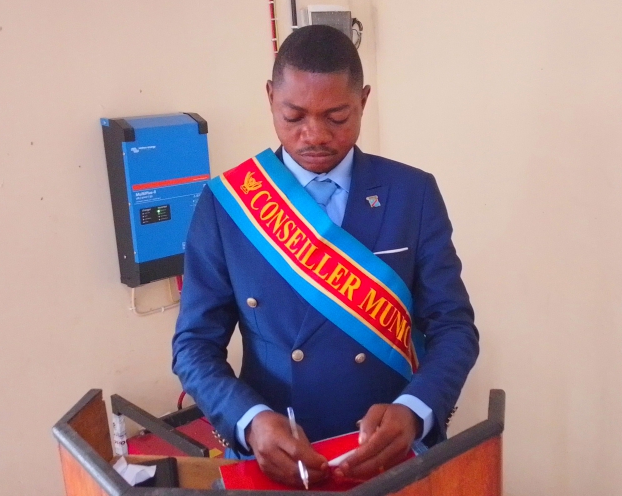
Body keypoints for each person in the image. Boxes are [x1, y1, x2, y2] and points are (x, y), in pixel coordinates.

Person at [172, 24, 479, 487]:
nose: (313, 135)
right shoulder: (227, 205)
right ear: (270, 97)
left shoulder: (411, 193)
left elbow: (453, 326)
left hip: (389, 451)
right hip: (278, 455)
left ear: (364, 101)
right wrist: (249, 421)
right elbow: (193, 345)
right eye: (293, 116)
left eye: (336, 117)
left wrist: (415, 411)